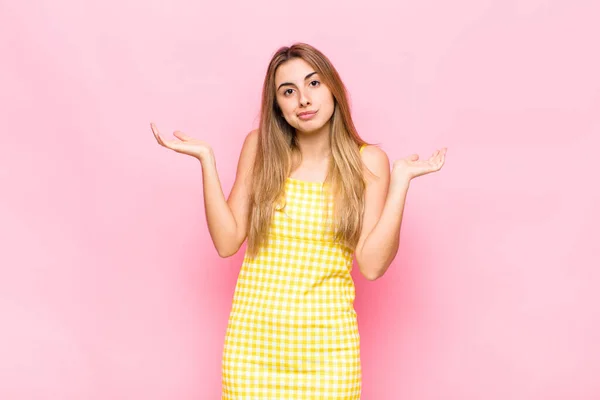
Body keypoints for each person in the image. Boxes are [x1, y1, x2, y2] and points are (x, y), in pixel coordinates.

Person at [151, 42, 446, 399]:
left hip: (328, 354)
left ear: (334, 88)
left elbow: (370, 265)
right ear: (277, 105)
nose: (303, 99)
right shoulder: (260, 148)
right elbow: (227, 242)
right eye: (288, 91)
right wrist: (207, 160)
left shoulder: (369, 161)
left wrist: (400, 183)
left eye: (314, 83)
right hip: (252, 350)